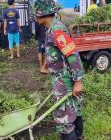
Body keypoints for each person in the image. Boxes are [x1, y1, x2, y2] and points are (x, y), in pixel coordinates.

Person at [34, 0, 85, 139]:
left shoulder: (57, 31)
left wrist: (78, 81)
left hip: (65, 80)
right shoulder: (52, 28)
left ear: (42, 14)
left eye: (36, 14)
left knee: (64, 118)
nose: (35, 17)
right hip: (62, 78)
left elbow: (72, 55)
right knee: (73, 110)